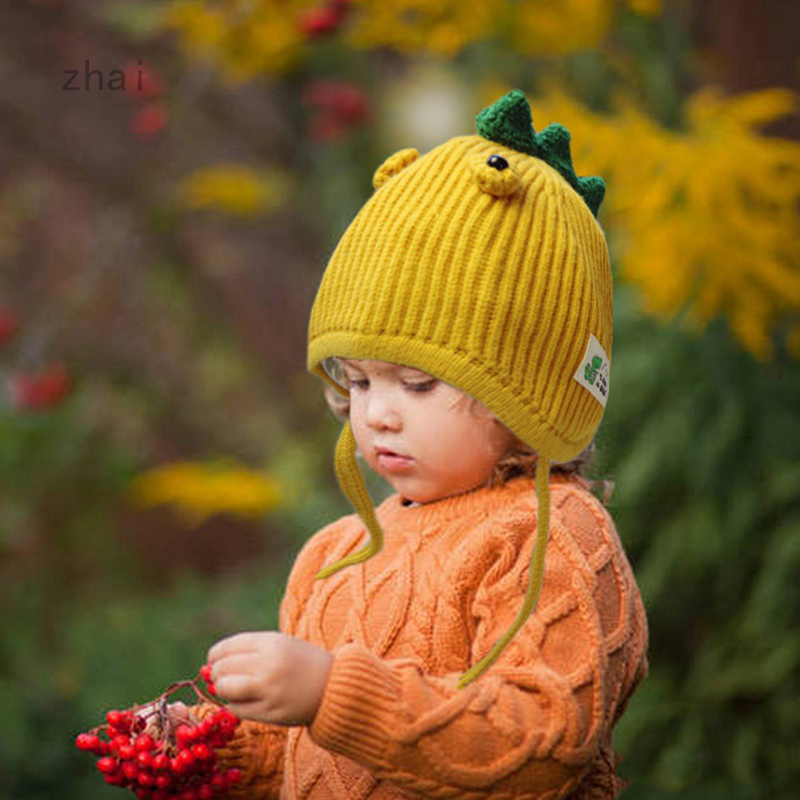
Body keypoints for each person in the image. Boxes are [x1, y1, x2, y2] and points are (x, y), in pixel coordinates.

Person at [191, 89, 649, 799]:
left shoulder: (549, 537)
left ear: (532, 396)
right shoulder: (331, 554)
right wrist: (212, 752)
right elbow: (305, 759)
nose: (378, 414)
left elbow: (543, 740)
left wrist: (328, 690)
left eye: (418, 384)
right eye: (361, 383)